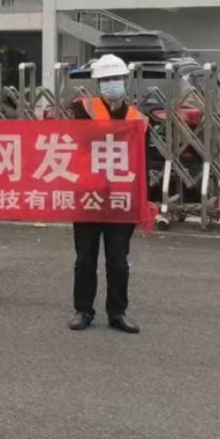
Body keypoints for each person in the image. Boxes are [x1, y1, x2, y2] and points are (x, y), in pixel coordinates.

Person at [68, 55, 141, 334]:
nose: (112, 84)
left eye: (116, 79)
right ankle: (83, 310)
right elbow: (79, 143)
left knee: (118, 260)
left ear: (124, 81)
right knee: (85, 259)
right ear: (98, 84)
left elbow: (140, 159)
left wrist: (142, 198)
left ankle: (118, 312)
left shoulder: (136, 117)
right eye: (106, 80)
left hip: (121, 199)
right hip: (89, 196)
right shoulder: (83, 109)